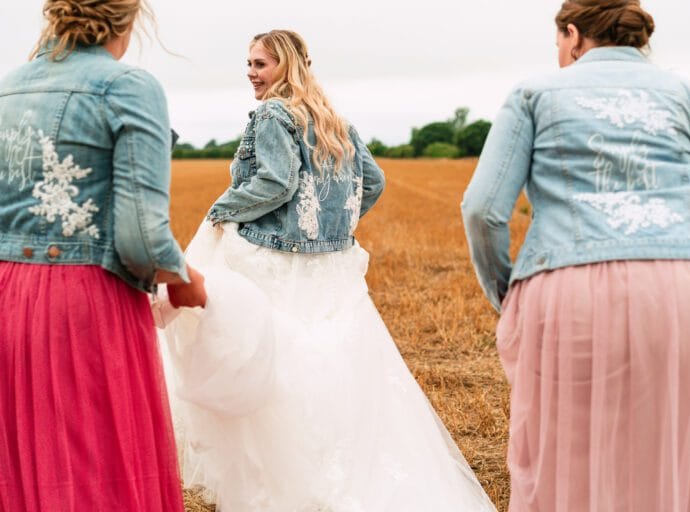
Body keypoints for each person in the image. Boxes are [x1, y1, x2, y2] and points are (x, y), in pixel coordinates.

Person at [159, 29, 496, 512]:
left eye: (260, 64)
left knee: (275, 366)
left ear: (288, 65)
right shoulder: (333, 117)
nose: (251, 73)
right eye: (249, 64)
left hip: (276, 260)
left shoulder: (274, 112)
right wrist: (330, 224)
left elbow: (276, 183)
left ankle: (286, 482)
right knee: (336, 367)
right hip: (334, 266)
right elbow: (373, 182)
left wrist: (222, 209)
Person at [461, 1, 690, 510]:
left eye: (559, 42)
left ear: (573, 35)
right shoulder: (688, 94)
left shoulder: (535, 93)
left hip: (573, 292)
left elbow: (483, 211)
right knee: (688, 458)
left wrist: (508, 293)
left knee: (576, 461)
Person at [0, 1, 206, 510]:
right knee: (97, 472)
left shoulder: (8, 86)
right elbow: (141, 236)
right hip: (84, 302)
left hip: (7, 295)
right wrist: (182, 278)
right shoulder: (128, 86)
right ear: (130, 20)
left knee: (26, 465)